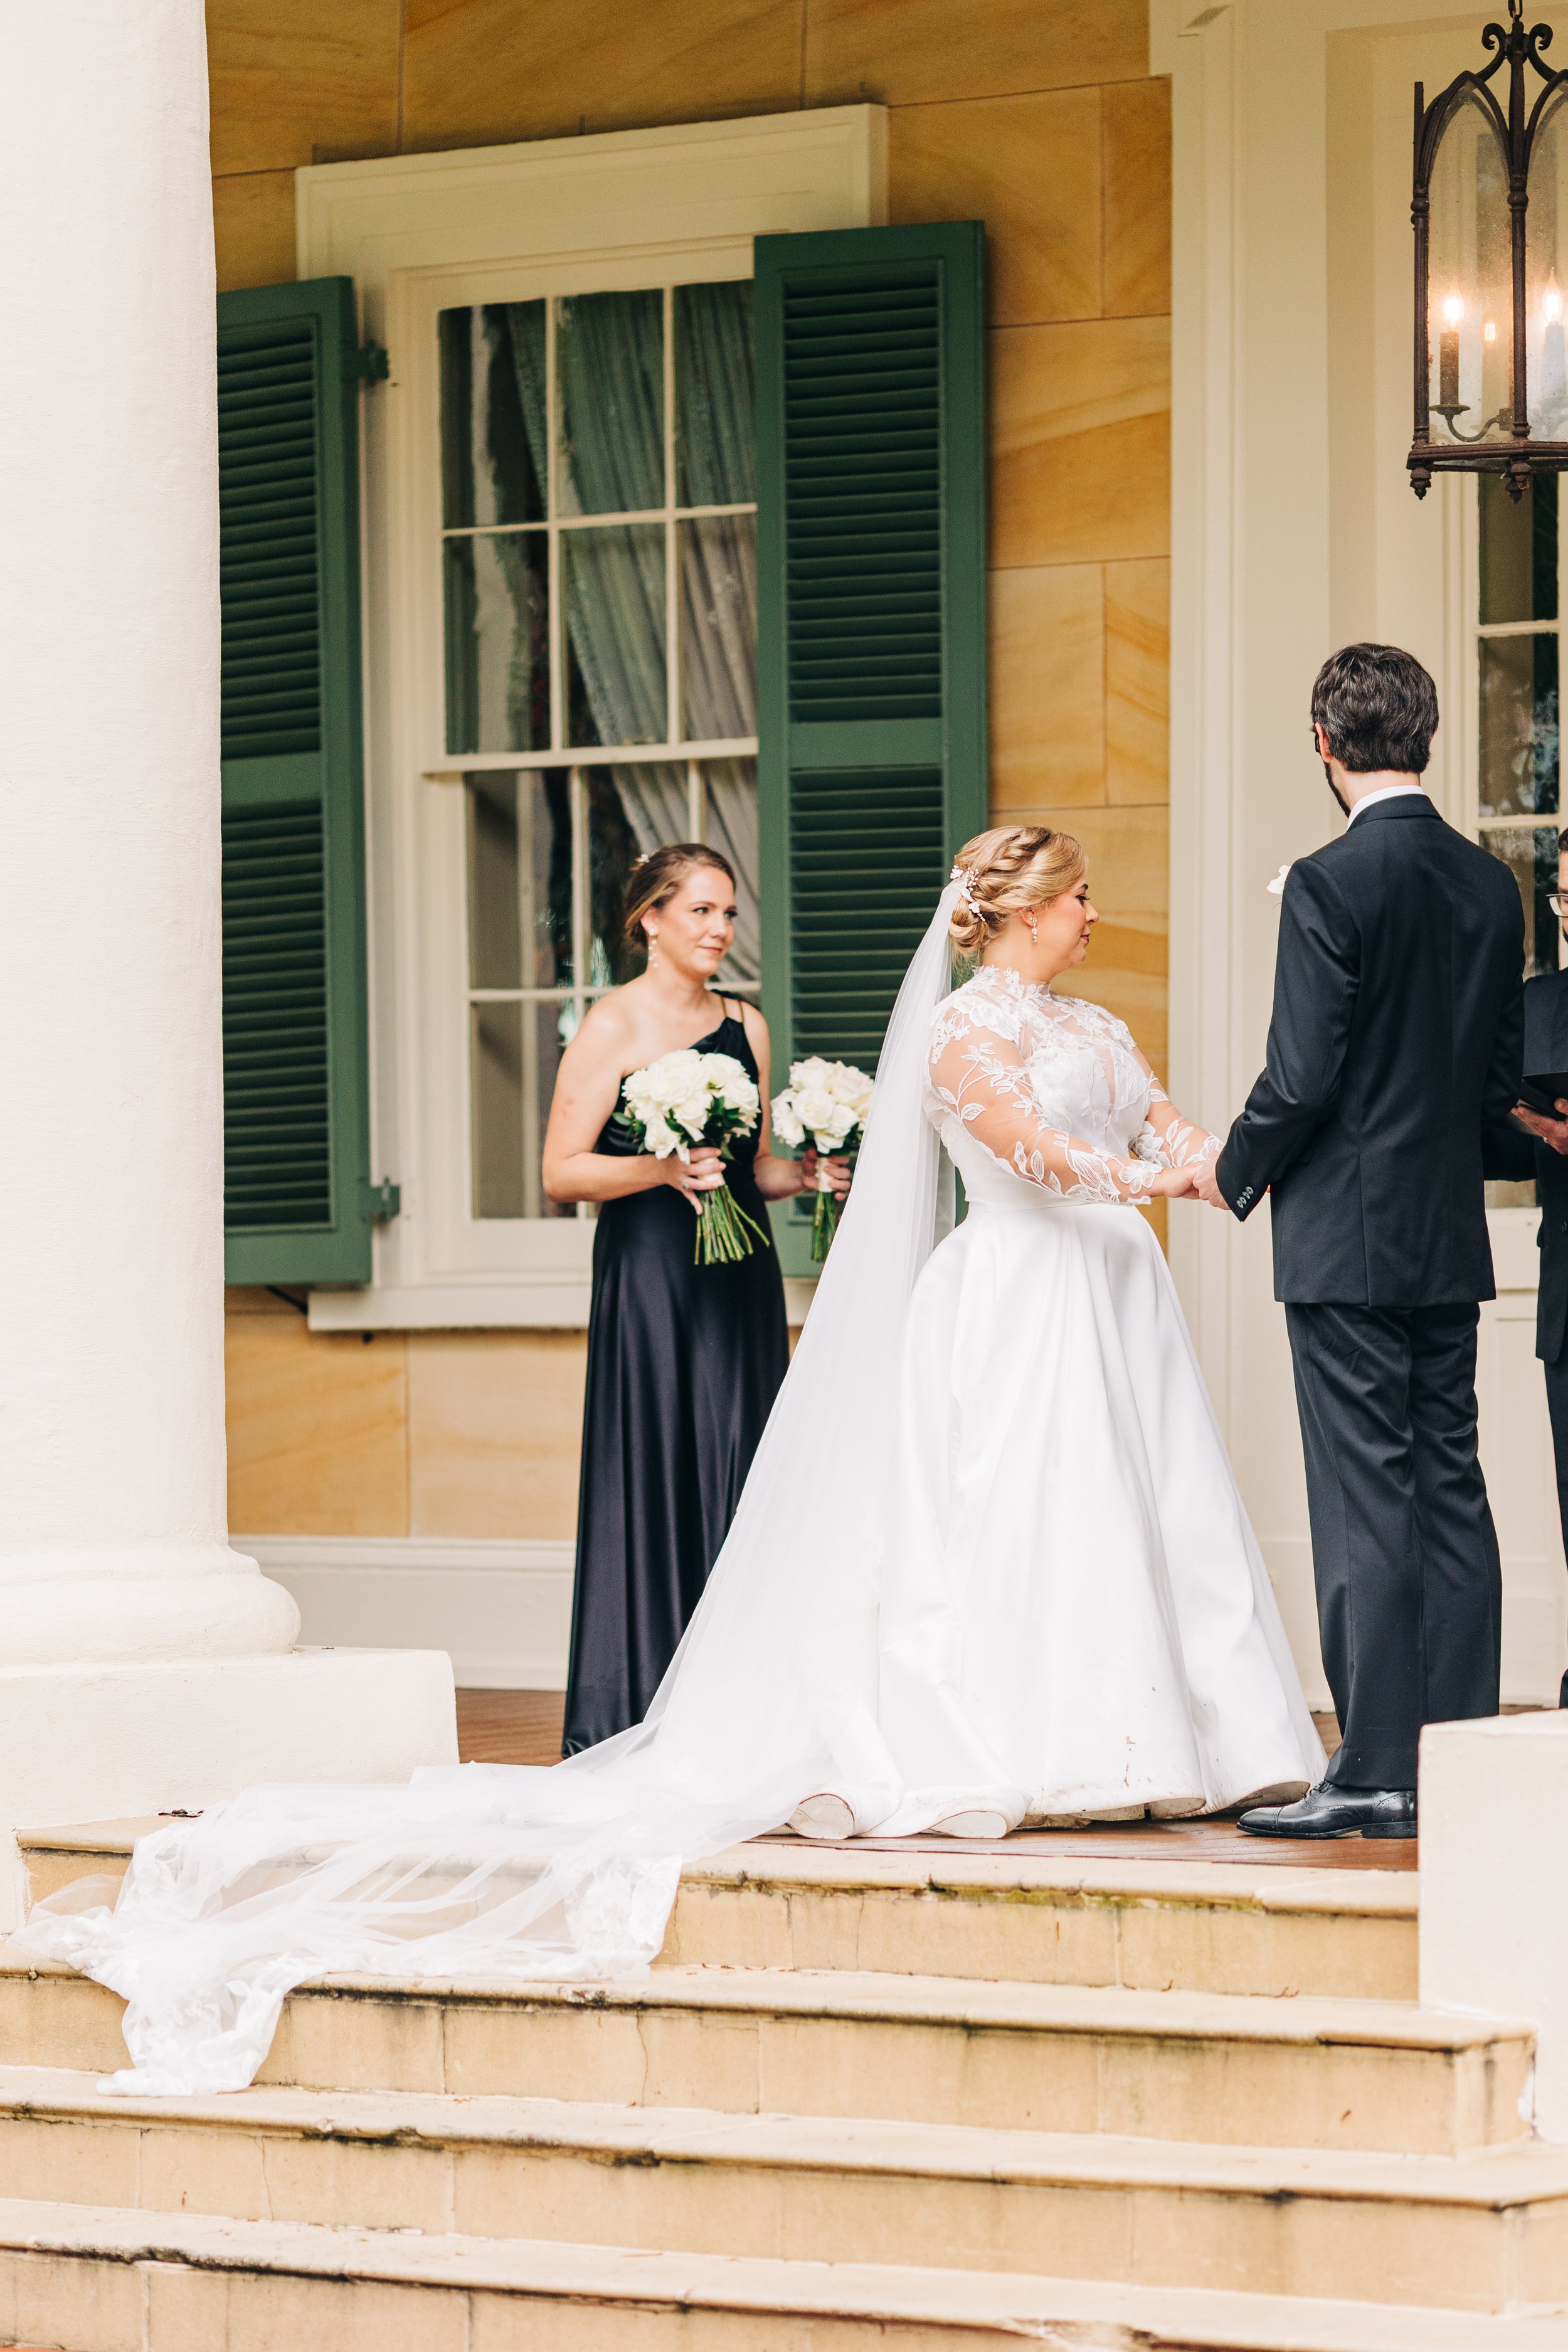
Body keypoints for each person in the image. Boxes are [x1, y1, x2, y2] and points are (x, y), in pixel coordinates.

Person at [20, 825, 1323, 2094]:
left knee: (1130, 1515)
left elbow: (1157, 1122)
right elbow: (1035, 1155)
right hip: (978, 1287)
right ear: (1022, 908)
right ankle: (1025, 1739)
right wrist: (1165, 1185)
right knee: (1010, 1513)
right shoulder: (959, 1031)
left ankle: (1165, 1736)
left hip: (1099, 1290)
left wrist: (1227, 1158)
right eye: (1077, 897)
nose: (1094, 918)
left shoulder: (1087, 1029)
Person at [1194, 644, 1524, 1840]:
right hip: (1445, 1238)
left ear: (1324, 745)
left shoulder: (1327, 882)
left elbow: (1301, 1075)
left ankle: (1377, 1769)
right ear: (1425, 738)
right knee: (1452, 1489)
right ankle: (1459, 1764)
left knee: (1363, 1501)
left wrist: (1230, 1170)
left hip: (1342, 1240)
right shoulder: (1494, 889)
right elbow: (1494, 1094)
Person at [541, 842, 844, 1755]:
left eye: (727, 913)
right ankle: (645, 1700)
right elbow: (561, 1171)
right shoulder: (611, 1026)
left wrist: (816, 1171)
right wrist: (659, 1167)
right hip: (652, 1276)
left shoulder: (744, 1025)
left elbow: (751, 1170)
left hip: (738, 1273)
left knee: (747, 1460)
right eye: (702, 912)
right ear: (650, 920)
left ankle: (746, 1700)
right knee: (665, 1457)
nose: (720, 929)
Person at [1480, 825, 1568, 1711]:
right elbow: (1495, 1139)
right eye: (1566, 900)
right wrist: (1532, 1125)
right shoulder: (1539, 1004)